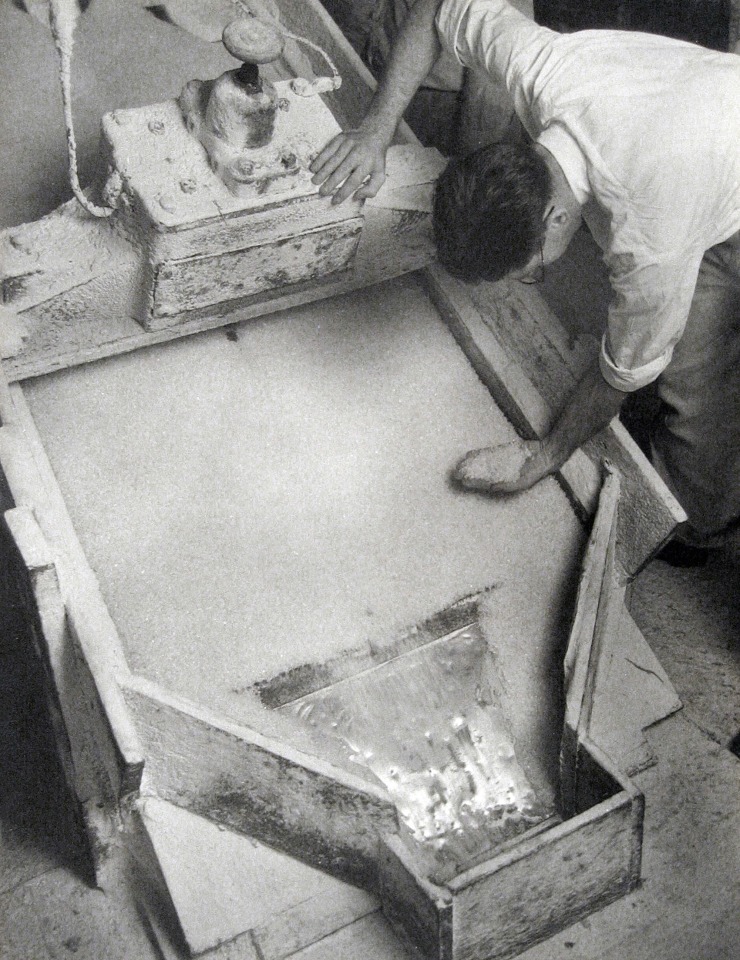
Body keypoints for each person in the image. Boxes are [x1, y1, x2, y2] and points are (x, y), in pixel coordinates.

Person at [310, 0, 740, 563]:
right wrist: (377, 126)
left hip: (710, 164)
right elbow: (439, 9)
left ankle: (696, 528)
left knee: (693, 375)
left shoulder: (648, 236)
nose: (534, 278)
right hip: (703, 114)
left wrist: (543, 456)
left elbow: (622, 372)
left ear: (556, 218)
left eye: (529, 268)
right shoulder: (541, 68)